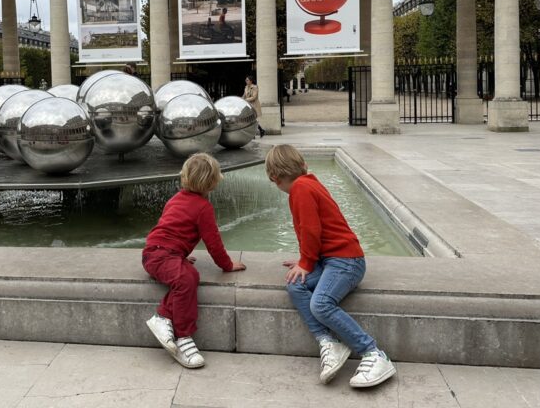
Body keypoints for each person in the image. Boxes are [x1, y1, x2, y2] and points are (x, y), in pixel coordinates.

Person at [265, 144, 396, 388]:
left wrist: (306, 262)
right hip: (331, 260)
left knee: (321, 303)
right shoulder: (308, 183)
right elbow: (314, 231)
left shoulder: (301, 189)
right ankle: (329, 342)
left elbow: (311, 230)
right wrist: (306, 260)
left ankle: (374, 353)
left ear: (275, 178)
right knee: (296, 285)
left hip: (347, 261)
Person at [142, 153, 246, 368]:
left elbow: (169, 227)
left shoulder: (176, 198)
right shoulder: (203, 208)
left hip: (155, 253)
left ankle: (163, 319)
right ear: (213, 181)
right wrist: (227, 265)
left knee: (190, 275)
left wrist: (178, 253)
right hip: (161, 254)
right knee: (186, 280)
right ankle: (182, 336)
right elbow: (213, 243)